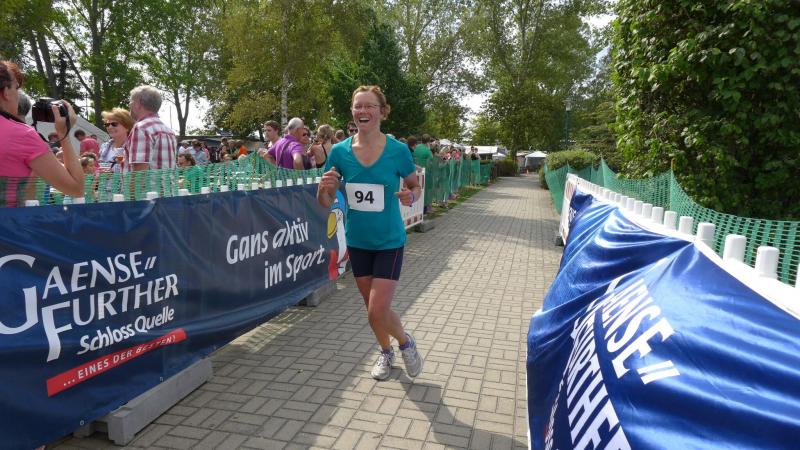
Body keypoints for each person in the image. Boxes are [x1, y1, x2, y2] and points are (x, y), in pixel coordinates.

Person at [317, 85, 423, 381]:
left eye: (369, 106)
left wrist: (411, 196)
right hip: (358, 241)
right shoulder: (339, 152)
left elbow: (415, 186)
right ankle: (386, 352)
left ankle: (405, 343)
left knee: (377, 310)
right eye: (357, 106)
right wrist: (324, 189)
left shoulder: (397, 150)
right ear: (352, 112)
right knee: (373, 310)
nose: (362, 111)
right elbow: (324, 201)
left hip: (389, 241)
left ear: (382, 112)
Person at [0, 60, 84, 205]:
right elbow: (76, 189)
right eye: (16, 87)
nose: (18, 94)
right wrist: (63, 133)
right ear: (6, 92)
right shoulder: (22, 135)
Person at [126, 85, 177, 172]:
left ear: (138, 104)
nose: (129, 105)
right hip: (168, 181)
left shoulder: (141, 128)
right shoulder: (169, 131)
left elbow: (139, 173)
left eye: (131, 101)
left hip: (149, 182)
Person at [98, 108, 134, 173]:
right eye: (107, 124)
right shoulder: (104, 147)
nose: (110, 127)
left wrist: (112, 172)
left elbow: (138, 171)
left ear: (127, 127)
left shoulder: (133, 146)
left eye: (114, 124)